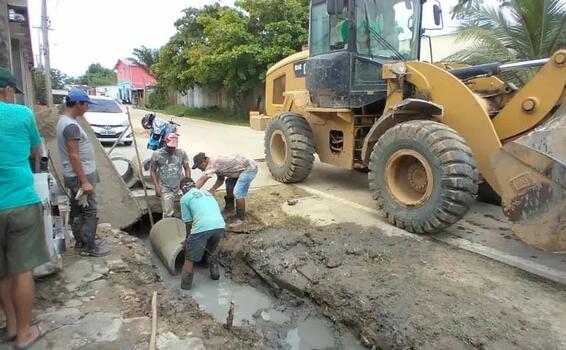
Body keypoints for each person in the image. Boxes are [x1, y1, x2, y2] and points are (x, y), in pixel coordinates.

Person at [0, 66, 49, 349]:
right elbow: (36, 152)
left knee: (3, 271)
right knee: (22, 270)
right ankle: (24, 334)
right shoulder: (21, 114)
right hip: (19, 199)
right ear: (8, 90)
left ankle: (11, 326)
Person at [57, 88, 110, 257]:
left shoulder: (65, 121)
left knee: (78, 208)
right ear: (78, 103)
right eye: (86, 104)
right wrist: (84, 180)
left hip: (78, 174)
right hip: (81, 175)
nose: (88, 108)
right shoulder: (70, 126)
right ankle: (89, 245)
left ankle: (81, 241)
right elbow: (74, 155)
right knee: (89, 209)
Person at [179, 177, 226, 290]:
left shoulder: (185, 198)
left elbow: (189, 223)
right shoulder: (207, 193)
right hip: (219, 225)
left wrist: (187, 239)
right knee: (211, 251)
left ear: (183, 188)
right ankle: (215, 276)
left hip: (202, 227)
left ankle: (185, 287)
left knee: (189, 257)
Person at [193, 153, 258, 224]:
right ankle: (230, 208)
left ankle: (240, 218)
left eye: (200, 168)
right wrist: (213, 189)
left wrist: (191, 192)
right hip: (240, 168)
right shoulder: (215, 164)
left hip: (249, 169)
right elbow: (220, 179)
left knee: (238, 193)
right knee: (229, 183)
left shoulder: (212, 164)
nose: (201, 170)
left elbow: (202, 179)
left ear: (204, 162)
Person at [150, 133, 191, 218]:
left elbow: (187, 168)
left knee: (188, 207)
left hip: (180, 185)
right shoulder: (157, 155)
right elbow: (153, 171)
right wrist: (156, 186)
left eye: (173, 147)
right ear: (164, 143)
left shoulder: (181, 153)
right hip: (165, 187)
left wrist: (187, 182)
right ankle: (168, 227)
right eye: (169, 147)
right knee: (167, 212)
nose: (172, 149)